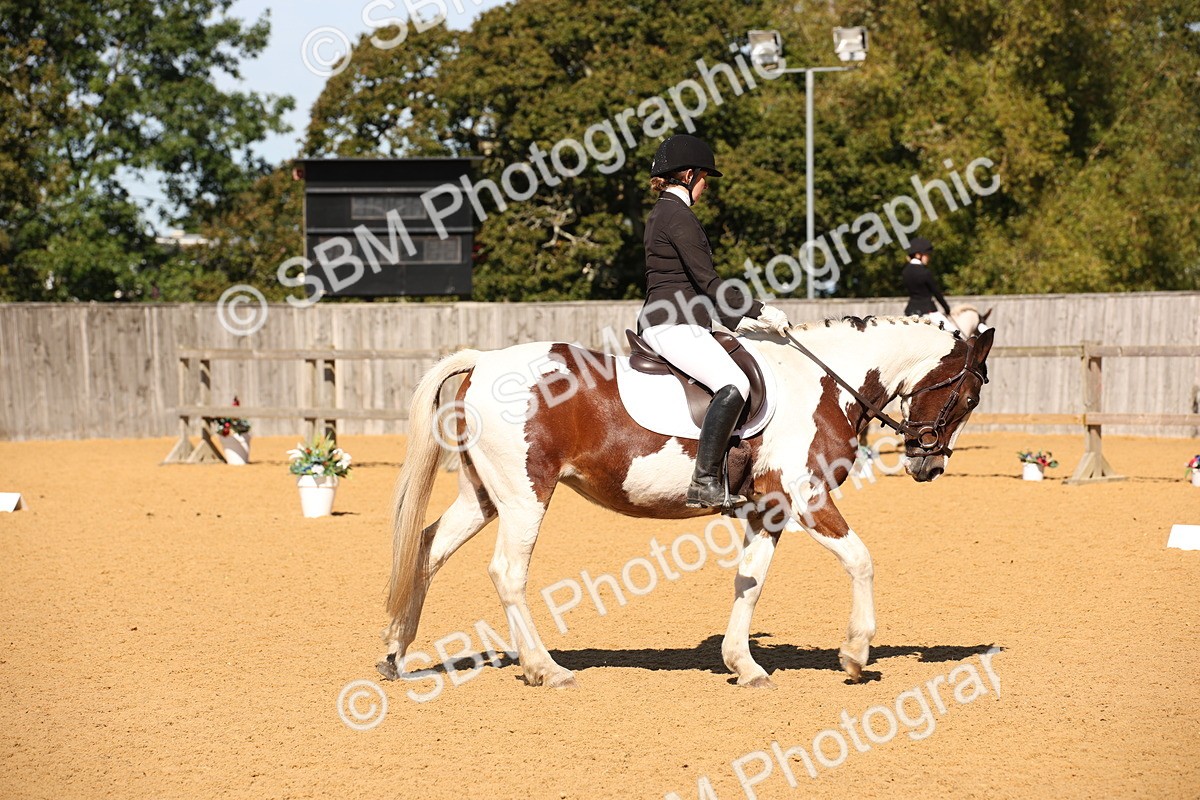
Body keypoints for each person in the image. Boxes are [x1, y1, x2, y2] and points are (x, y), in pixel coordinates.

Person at [637, 134, 791, 509]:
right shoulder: (678, 216)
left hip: (681, 318)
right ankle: (705, 481)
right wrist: (759, 309)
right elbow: (709, 282)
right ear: (688, 175)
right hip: (673, 323)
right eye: (705, 178)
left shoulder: (664, 213)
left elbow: (695, 286)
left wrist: (736, 323)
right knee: (734, 382)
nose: (706, 186)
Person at [901, 237, 954, 327]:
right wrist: (946, 308)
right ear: (918, 255)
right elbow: (936, 292)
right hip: (928, 311)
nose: (928, 258)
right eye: (926, 255)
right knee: (954, 334)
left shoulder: (905, 271)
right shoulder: (924, 272)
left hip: (910, 311)